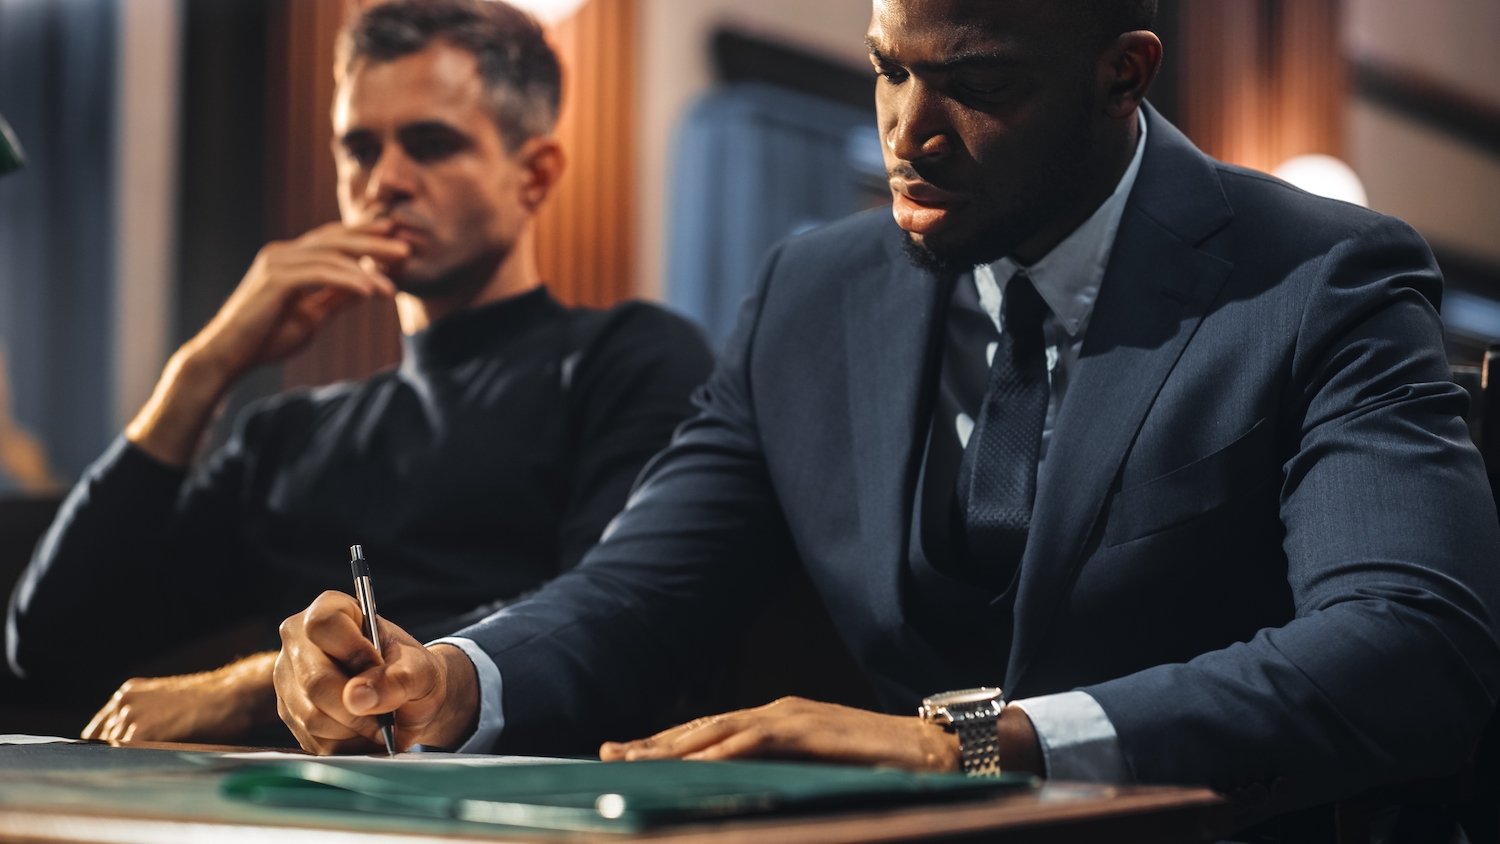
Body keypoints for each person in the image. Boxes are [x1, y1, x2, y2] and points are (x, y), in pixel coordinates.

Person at [272, 0, 1500, 829]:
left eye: (977, 84)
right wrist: (449, 676)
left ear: (1122, 75)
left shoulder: (1322, 275)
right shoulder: (810, 291)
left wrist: (970, 743)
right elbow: (642, 585)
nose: (910, 132)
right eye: (888, 69)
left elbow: (1411, 642)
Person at [6, 0, 712, 746]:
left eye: (431, 144)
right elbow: (47, 653)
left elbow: (612, 616)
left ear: (534, 175)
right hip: (270, 798)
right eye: (360, 149)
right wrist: (203, 367)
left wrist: (253, 687)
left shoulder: (629, 359)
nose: (386, 181)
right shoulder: (289, 436)